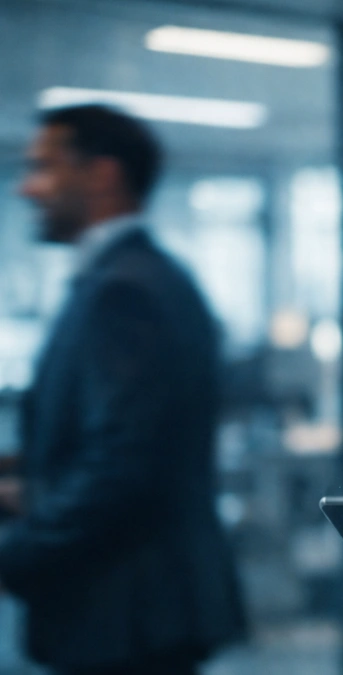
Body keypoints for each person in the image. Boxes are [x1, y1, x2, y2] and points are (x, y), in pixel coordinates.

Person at [1, 105, 245, 674]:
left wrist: (16, 551)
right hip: (135, 610)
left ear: (101, 174)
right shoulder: (135, 276)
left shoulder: (125, 290)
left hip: (127, 614)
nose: (26, 188)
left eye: (43, 167)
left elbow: (123, 467)